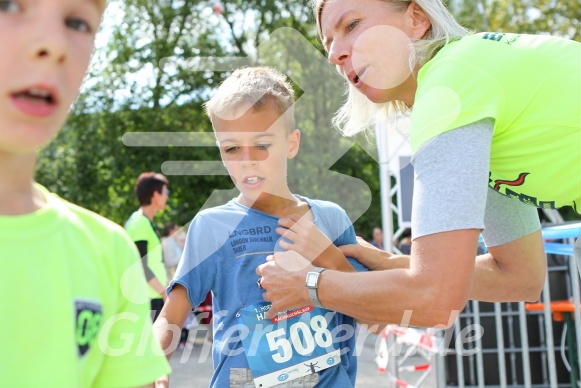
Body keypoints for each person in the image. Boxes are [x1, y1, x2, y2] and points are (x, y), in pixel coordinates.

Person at [257, 0, 581, 327]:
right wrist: (391, 262)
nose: (334, 55)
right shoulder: (470, 82)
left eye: (352, 25)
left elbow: (435, 300)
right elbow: (520, 278)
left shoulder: (451, 88)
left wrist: (308, 284)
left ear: (417, 19)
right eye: (328, 44)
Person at [153, 67, 370, 387]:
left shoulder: (331, 219)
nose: (247, 160)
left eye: (262, 145)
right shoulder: (211, 227)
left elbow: (371, 311)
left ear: (291, 143)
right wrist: (154, 367)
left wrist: (329, 259)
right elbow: (171, 316)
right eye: (231, 148)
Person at [0, 0, 170, 385]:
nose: (54, 43)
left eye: (77, 22)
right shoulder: (135, 226)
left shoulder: (107, 249)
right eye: (9, 6)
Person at [125, 172, 170, 322]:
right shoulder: (139, 223)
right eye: (165, 192)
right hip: (147, 299)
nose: (167, 196)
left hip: (153, 296)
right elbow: (140, 265)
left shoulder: (144, 222)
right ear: (154, 194)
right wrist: (164, 293)